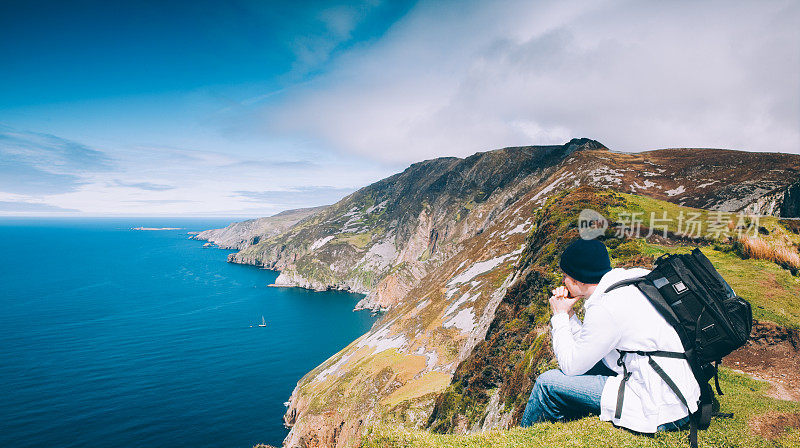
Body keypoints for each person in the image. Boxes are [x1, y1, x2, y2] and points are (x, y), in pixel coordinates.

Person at [519, 238, 700, 434]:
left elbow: (571, 366)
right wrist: (571, 315)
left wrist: (560, 316)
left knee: (547, 384)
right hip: (680, 389)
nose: (563, 282)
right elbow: (590, 346)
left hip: (660, 405)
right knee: (584, 370)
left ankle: (523, 440)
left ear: (578, 280)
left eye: (566, 277)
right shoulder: (631, 280)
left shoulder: (605, 307)